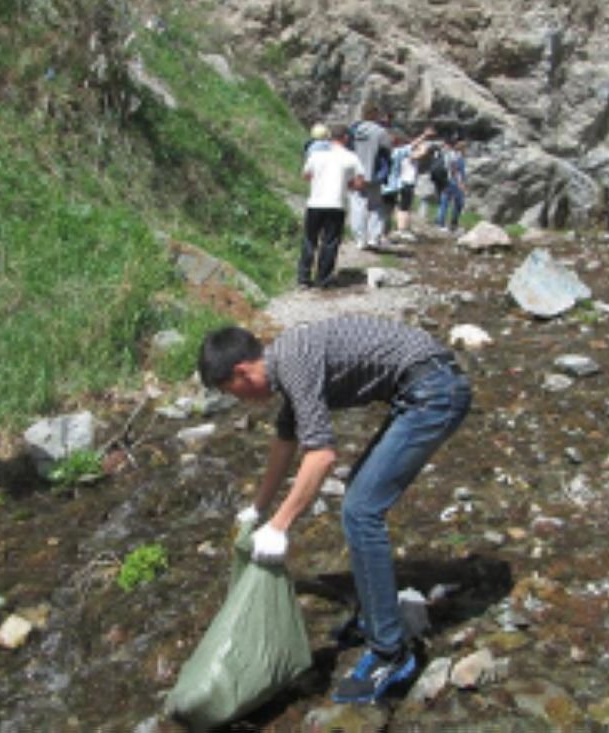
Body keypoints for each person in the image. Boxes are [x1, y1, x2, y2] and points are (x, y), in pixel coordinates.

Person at [198, 315, 472, 704]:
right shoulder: (287, 360)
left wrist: (280, 525)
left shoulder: (293, 361)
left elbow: (322, 456)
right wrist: (256, 510)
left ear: (242, 371)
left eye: (234, 392)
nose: (241, 400)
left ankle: (389, 653)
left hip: (435, 391)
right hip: (422, 388)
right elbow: (285, 442)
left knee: (361, 511)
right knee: (359, 502)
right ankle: (378, 618)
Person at [298, 124, 366, 288]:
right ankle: (323, 278)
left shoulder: (316, 156)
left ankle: (303, 278)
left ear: (329, 138)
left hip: (315, 203)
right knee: (330, 242)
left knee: (309, 240)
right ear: (345, 138)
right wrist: (347, 183)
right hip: (336, 204)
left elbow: (306, 176)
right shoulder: (351, 157)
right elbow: (360, 183)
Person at [348, 106, 392, 250]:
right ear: (376, 116)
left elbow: (348, 149)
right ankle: (374, 237)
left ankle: (360, 239)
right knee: (376, 206)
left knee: (357, 205)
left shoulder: (354, 130)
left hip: (356, 174)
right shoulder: (381, 132)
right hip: (374, 174)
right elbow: (387, 152)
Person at [387, 127, 437, 242]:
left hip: (406, 182)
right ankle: (401, 230)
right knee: (404, 207)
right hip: (405, 182)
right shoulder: (404, 153)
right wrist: (424, 144)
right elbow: (420, 154)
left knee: (403, 207)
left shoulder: (402, 152)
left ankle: (401, 228)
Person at [435, 139, 468, 232]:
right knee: (458, 203)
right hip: (454, 183)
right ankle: (453, 224)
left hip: (445, 181)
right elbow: (457, 172)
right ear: (463, 149)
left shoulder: (448, 155)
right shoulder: (459, 158)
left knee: (444, 202)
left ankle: (439, 222)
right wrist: (461, 185)